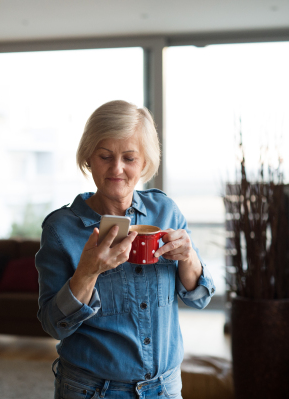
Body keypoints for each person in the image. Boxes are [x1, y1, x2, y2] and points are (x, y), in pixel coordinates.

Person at [36, 100, 215, 399]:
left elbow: (199, 298)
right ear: (89, 158)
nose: (117, 168)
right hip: (92, 391)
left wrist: (189, 257)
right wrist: (88, 272)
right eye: (105, 156)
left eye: (129, 158)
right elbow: (54, 325)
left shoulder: (166, 212)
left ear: (144, 163)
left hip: (166, 388)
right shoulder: (61, 229)